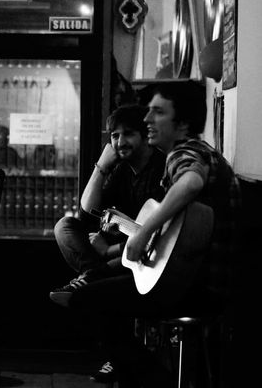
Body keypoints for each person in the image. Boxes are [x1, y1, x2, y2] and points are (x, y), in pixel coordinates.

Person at [65, 81, 241, 388]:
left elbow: (191, 182)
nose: (147, 120)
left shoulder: (183, 153)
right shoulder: (201, 152)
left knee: (86, 300)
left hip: (194, 288)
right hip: (200, 282)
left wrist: (143, 232)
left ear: (182, 122)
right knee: (100, 288)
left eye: (157, 112)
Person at [50, 104, 166, 307]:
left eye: (128, 134)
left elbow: (157, 237)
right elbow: (87, 213)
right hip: (116, 251)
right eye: (114, 135)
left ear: (145, 135)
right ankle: (95, 275)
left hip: (144, 253)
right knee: (64, 226)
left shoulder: (160, 169)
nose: (120, 142)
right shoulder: (122, 169)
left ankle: (91, 279)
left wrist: (108, 250)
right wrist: (101, 167)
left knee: (123, 263)